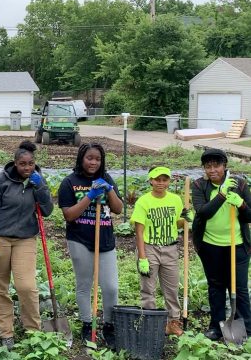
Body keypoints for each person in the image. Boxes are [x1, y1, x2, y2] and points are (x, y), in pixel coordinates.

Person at [0, 140, 54, 350]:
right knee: (0, 288)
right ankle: (7, 334)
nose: (27, 168)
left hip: (25, 238)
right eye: (23, 164)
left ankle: (33, 331)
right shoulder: (1, 180)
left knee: (26, 286)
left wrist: (40, 187)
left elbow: (48, 210)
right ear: (15, 163)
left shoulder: (37, 180)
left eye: (30, 164)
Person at [57, 143, 123, 346]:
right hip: (80, 239)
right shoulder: (69, 182)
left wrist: (109, 190)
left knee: (111, 287)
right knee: (84, 285)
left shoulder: (107, 178)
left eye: (97, 159)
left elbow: (118, 209)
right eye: (89, 158)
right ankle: (87, 324)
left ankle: (109, 325)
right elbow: (69, 215)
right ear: (81, 158)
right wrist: (90, 196)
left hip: (105, 239)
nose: (93, 162)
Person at [191, 148, 251, 340]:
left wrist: (241, 204)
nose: (212, 170)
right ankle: (216, 327)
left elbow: (250, 215)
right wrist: (222, 195)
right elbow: (203, 212)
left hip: (238, 245)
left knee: (239, 288)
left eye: (216, 165)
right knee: (216, 287)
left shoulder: (240, 184)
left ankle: (246, 329)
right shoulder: (199, 185)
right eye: (208, 166)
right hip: (210, 246)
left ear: (225, 166)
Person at [131, 166, 190, 337]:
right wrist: (142, 257)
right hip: (150, 249)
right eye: (157, 179)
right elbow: (139, 231)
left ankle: (173, 322)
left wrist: (185, 218)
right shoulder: (144, 201)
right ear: (150, 180)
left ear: (169, 181)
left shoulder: (175, 200)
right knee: (148, 289)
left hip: (170, 248)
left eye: (165, 179)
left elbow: (177, 223)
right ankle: (151, 323)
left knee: (171, 289)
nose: (161, 183)